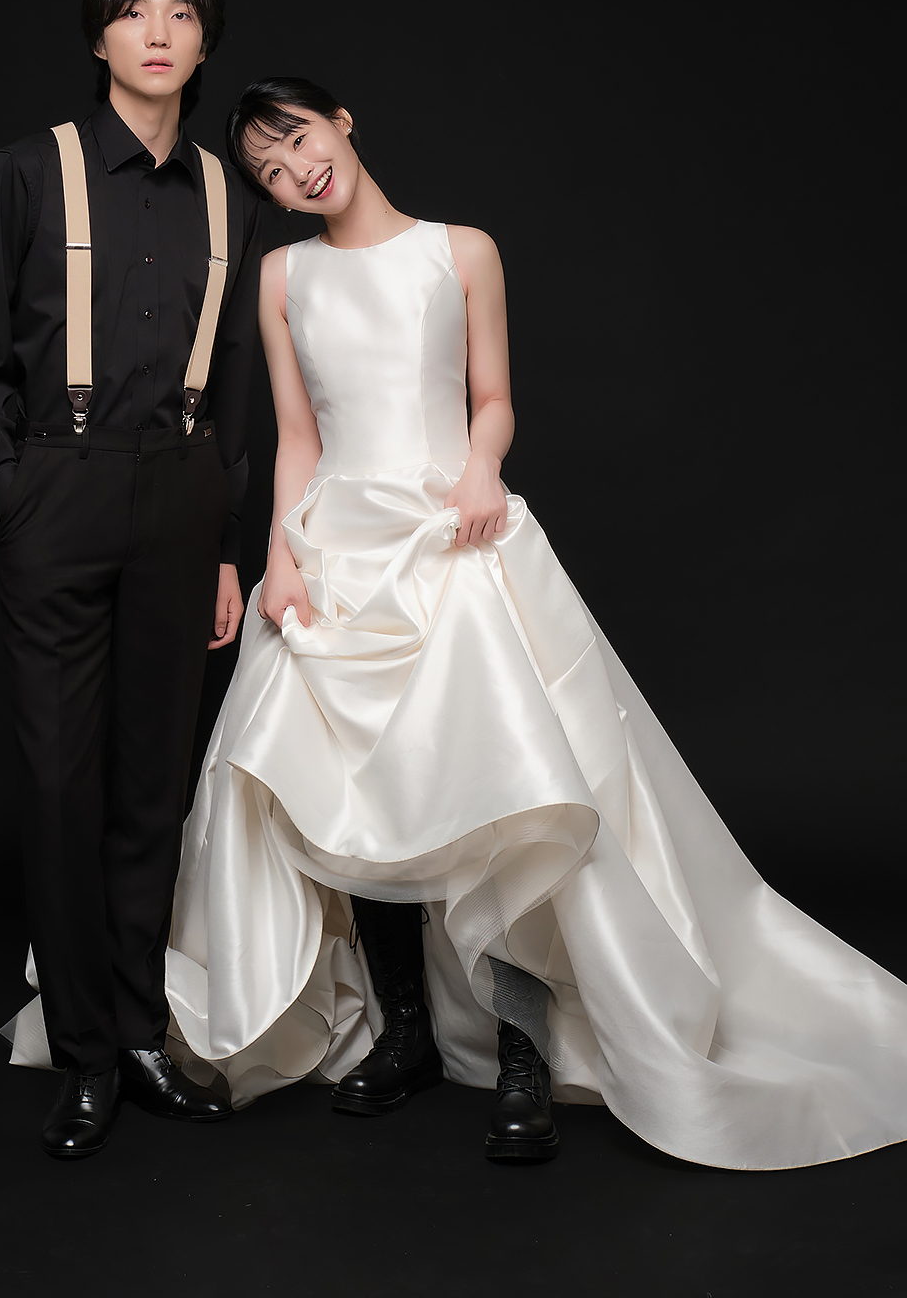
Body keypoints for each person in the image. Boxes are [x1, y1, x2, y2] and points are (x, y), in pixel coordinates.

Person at [162, 77, 907, 1169]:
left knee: (497, 788)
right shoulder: (283, 276)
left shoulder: (461, 250)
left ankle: (521, 1046)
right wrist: (279, 556)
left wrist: (480, 469)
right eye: (270, 173)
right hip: (337, 553)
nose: (297, 172)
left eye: (300, 139)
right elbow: (298, 436)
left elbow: (494, 396)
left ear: (343, 122)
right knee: (344, 791)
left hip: (450, 537)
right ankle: (407, 1034)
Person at [0, 0, 262, 1158]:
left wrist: (226, 543)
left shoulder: (228, 192)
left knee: (151, 785)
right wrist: (12, 490)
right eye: (133, 12)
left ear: (203, 38)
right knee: (60, 784)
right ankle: (82, 1050)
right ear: (99, 39)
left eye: (179, 13)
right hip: (60, 493)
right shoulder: (29, 172)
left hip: (182, 498)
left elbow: (233, 387)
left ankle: (138, 1033)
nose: (158, 30)